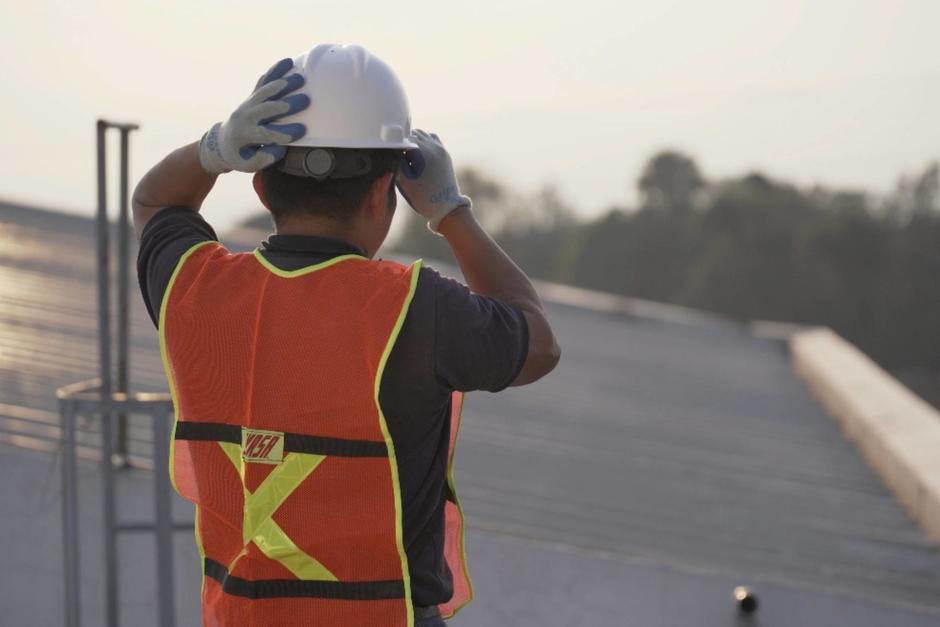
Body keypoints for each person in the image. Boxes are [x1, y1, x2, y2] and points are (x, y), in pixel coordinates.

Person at [133, 44, 560, 627]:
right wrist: (450, 212)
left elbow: (155, 200)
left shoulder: (194, 288)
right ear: (384, 193)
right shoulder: (416, 307)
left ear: (261, 189)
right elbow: (537, 343)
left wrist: (216, 150)